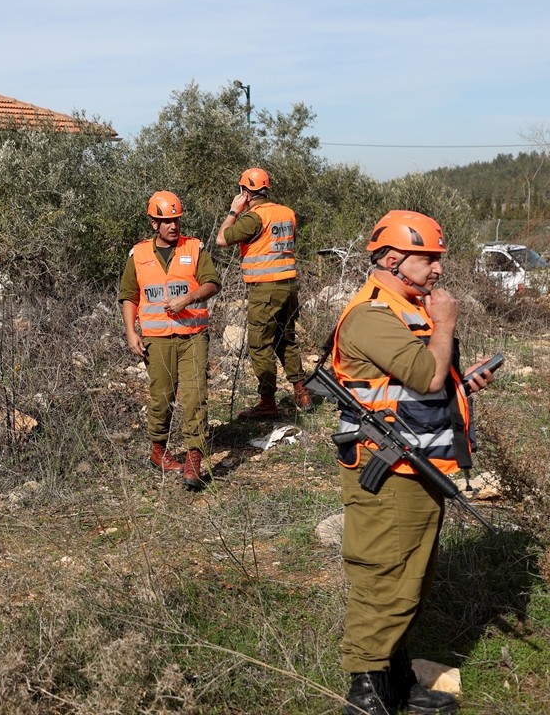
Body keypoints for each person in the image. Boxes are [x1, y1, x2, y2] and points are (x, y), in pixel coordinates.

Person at [329, 210, 495, 715]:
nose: (439, 270)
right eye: (431, 259)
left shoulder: (406, 309)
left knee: (413, 578)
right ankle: (366, 695)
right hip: (391, 473)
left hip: (418, 466)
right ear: (393, 259)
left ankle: (394, 682)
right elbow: (424, 377)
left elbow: (415, 388)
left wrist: (461, 384)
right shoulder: (371, 316)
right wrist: (446, 323)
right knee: (385, 578)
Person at [120, 191, 221, 489]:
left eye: (175, 220)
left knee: (194, 395)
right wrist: (131, 331)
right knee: (161, 397)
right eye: (165, 221)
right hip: (157, 339)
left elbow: (213, 283)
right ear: (153, 223)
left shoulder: (195, 248)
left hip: (193, 336)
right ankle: (158, 452)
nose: (172, 226)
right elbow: (129, 295)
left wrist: (189, 298)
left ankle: (193, 458)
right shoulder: (137, 255)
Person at [215, 167, 312, 418]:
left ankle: (267, 403)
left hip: (265, 288)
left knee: (260, 345)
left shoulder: (253, 218)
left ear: (245, 191)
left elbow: (222, 239)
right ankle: (301, 392)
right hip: (289, 286)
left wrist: (234, 211)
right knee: (286, 339)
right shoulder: (286, 213)